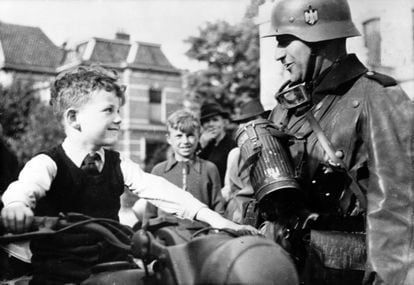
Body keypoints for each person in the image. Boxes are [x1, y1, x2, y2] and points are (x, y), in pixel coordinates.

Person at [0, 65, 257, 284]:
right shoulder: (47, 163)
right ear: (74, 118)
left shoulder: (117, 162)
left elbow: (159, 189)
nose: (120, 119)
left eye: (119, 110)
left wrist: (218, 220)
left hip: (113, 267)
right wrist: (16, 207)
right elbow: (23, 187)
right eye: (109, 110)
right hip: (62, 275)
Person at [263, 0, 414, 284]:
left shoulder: (377, 97)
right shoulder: (289, 106)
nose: (277, 54)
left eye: (284, 41)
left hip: (347, 272)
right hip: (288, 266)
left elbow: (399, 210)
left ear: (318, 38)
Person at [141, 109, 225, 221]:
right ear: (169, 139)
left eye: (190, 135)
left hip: (201, 233)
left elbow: (218, 210)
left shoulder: (209, 169)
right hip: (167, 234)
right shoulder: (159, 171)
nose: (185, 141)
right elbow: (150, 214)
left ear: (198, 137)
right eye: (179, 136)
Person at [222, 99, 271, 224]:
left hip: (264, 214)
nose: (246, 126)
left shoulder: (272, 149)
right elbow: (228, 188)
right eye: (242, 122)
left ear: (262, 120)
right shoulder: (235, 154)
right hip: (235, 213)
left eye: (251, 120)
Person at [197, 101, 237, 186]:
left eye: (215, 120)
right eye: (206, 121)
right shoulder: (201, 145)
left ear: (224, 122)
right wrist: (201, 145)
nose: (211, 124)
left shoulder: (232, 146)